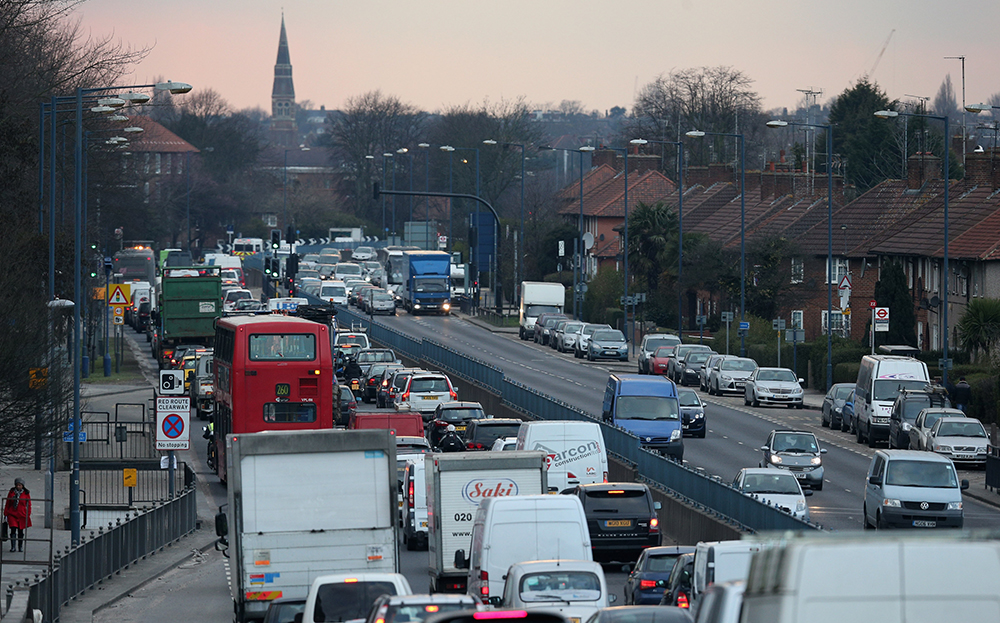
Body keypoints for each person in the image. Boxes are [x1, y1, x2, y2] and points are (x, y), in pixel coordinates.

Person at [4, 478, 31, 553]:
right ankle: (13, 546)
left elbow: (29, 504)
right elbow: (8, 503)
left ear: (23, 486)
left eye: (20, 485)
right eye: (17, 485)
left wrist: (28, 514)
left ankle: (20, 546)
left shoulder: (26, 493)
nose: (18, 486)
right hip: (12, 513)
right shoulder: (12, 492)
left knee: (20, 531)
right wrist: (5, 513)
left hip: (21, 514)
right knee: (13, 529)